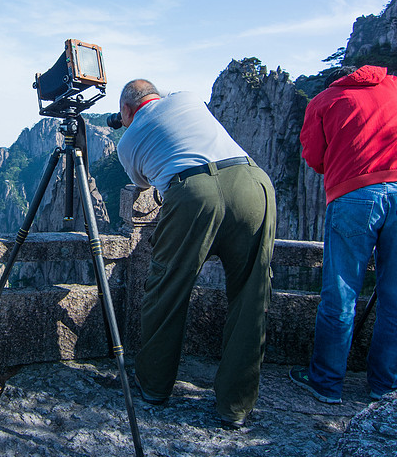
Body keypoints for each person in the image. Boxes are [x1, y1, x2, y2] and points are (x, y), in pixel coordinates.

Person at [115, 79, 276, 429]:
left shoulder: (126, 142)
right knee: (252, 294)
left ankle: (155, 385)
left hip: (193, 194)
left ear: (126, 111)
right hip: (253, 182)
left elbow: (144, 182)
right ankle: (235, 405)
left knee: (168, 288)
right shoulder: (187, 98)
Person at [290, 65, 397, 404]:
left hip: (354, 195)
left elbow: (314, 157)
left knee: (340, 294)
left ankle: (326, 383)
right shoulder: (394, 85)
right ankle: (385, 387)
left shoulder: (324, 100)